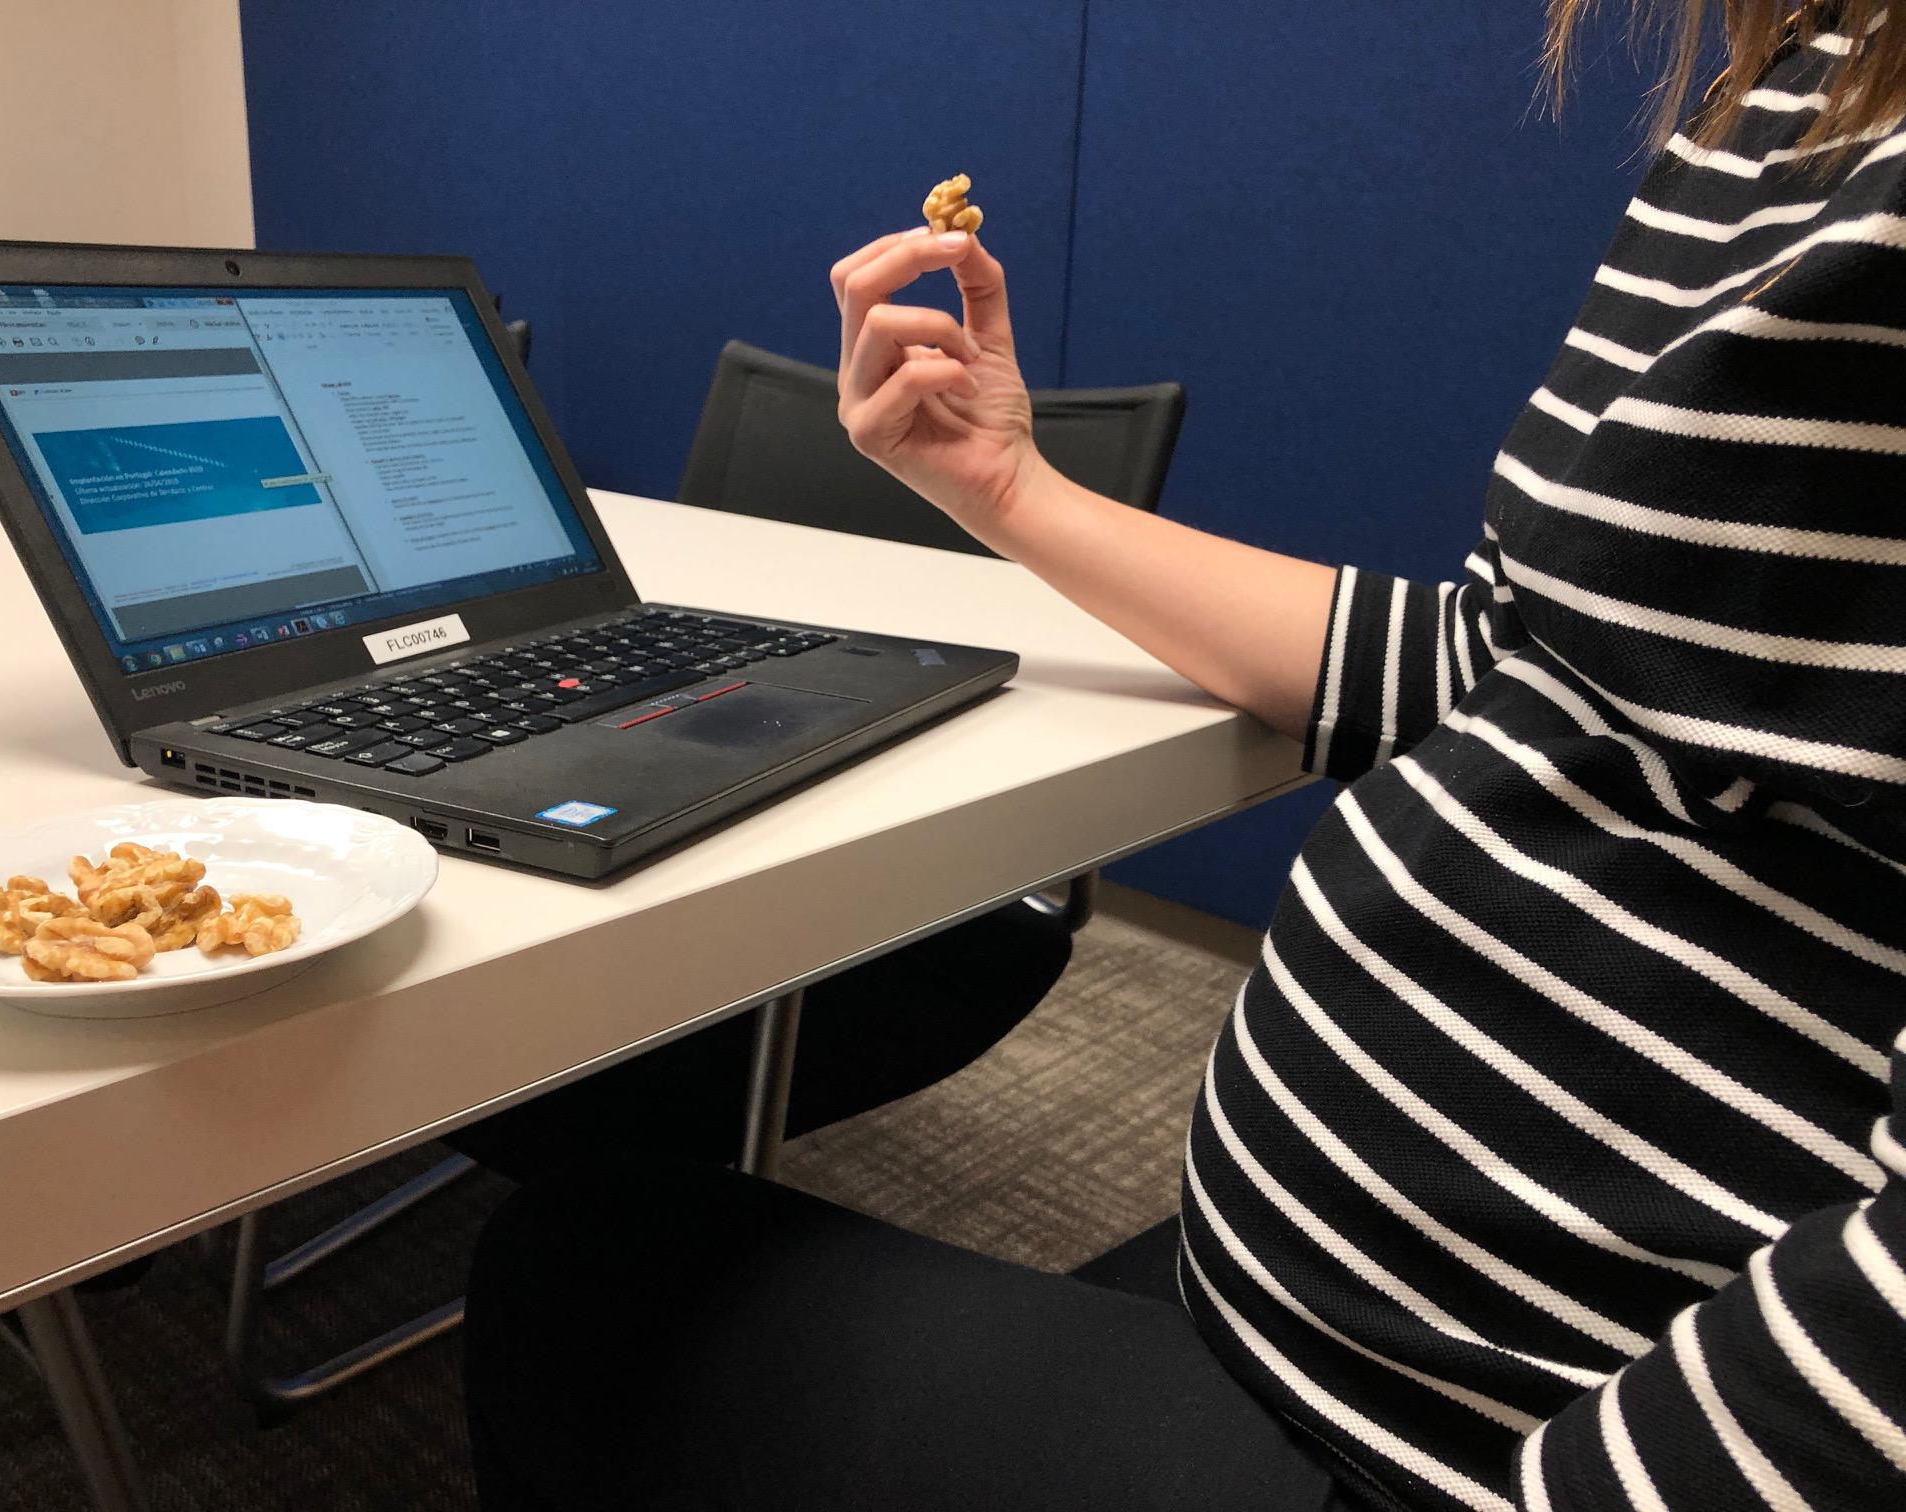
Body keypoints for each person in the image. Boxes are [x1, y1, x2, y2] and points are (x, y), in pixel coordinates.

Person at [461, 2, 1906, 1506]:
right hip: (1340, 1313)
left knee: (582, 1269)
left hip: (1468, 1443)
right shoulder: (1804, 83)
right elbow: (1526, 667)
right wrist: (1007, 487)